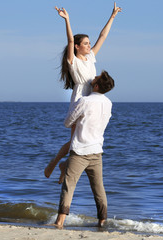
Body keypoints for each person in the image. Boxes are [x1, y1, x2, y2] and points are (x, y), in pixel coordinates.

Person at [44, 3, 121, 183]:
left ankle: (62, 166)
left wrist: (112, 16)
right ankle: (55, 164)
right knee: (74, 141)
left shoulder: (90, 57)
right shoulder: (73, 61)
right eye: (85, 43)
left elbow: (103, 37)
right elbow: (70, 41)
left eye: (88, 43)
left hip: (93, 99)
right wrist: (67, 20)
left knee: (80, 141)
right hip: (80, 99)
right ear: (78, 47)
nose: (89, 45)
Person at [55, 70, 115, 228]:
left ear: (95, 85)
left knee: (69, 185)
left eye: (96, 77)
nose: (93, 77)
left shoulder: (84, 101)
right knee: (99, 189)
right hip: (97, 151)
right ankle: (102, 221)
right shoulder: (108, 103)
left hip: (80, 150)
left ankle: (60, 222)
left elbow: (68, 123)